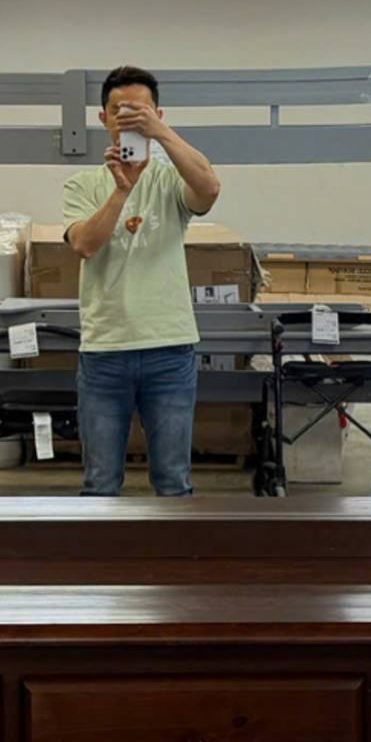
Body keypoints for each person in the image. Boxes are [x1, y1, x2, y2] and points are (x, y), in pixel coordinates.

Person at [62, 64, 222, 497]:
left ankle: (172, 565)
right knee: (99, 483)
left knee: (173, 481)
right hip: (104, 351)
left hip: (168, 348)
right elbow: (85, 245)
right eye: (120, 111)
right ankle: (99, 566)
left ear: (157, 116)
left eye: (141, 112)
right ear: (103, 119)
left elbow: (209, 188)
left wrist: (162, 136)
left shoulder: (172, 180)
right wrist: (122, 190)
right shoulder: (82, 184)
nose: (129, 120)